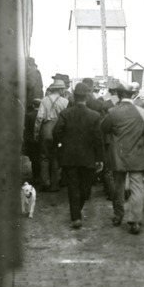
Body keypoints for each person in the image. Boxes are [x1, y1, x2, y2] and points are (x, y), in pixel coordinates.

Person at [100, 81, 144, 235]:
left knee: (118, 186)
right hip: (138, 155)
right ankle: (135, 220)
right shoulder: (143, 113)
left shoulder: (113, 112)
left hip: (118, 155)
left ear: (119, 95)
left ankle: (118, 215)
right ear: (133, 95)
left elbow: (103, 128)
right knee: (137, 187)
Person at [53, 82, 104, 229]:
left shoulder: (65, 114)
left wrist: (61, 145)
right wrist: (100, 158)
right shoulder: (94, 116)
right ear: (86, 97)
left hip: (69, 157)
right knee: (85, 187)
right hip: (88, 158)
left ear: (74, 97)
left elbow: (56, 132)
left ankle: (76, 216)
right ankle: (77, 215)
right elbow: (98, 139)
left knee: (73, 186)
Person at [34, 78, 69, 192]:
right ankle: (55, 183)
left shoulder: (44, 101)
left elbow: (39, 118)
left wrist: (36, 133)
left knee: (44, 157)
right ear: (60, 90)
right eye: (63, 89)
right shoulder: (65, 102)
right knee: (56, 157)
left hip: (46, 131)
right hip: (59, 132)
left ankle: (46, 182)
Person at [23, 98, 42, 185]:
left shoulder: (29, 115)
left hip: (31, 141)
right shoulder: (42, 115)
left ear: (33, 105)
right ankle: (42, 176)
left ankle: (36, 176)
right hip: (40, 140)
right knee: (41, 158)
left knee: (34, 160)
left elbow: (26, 129)